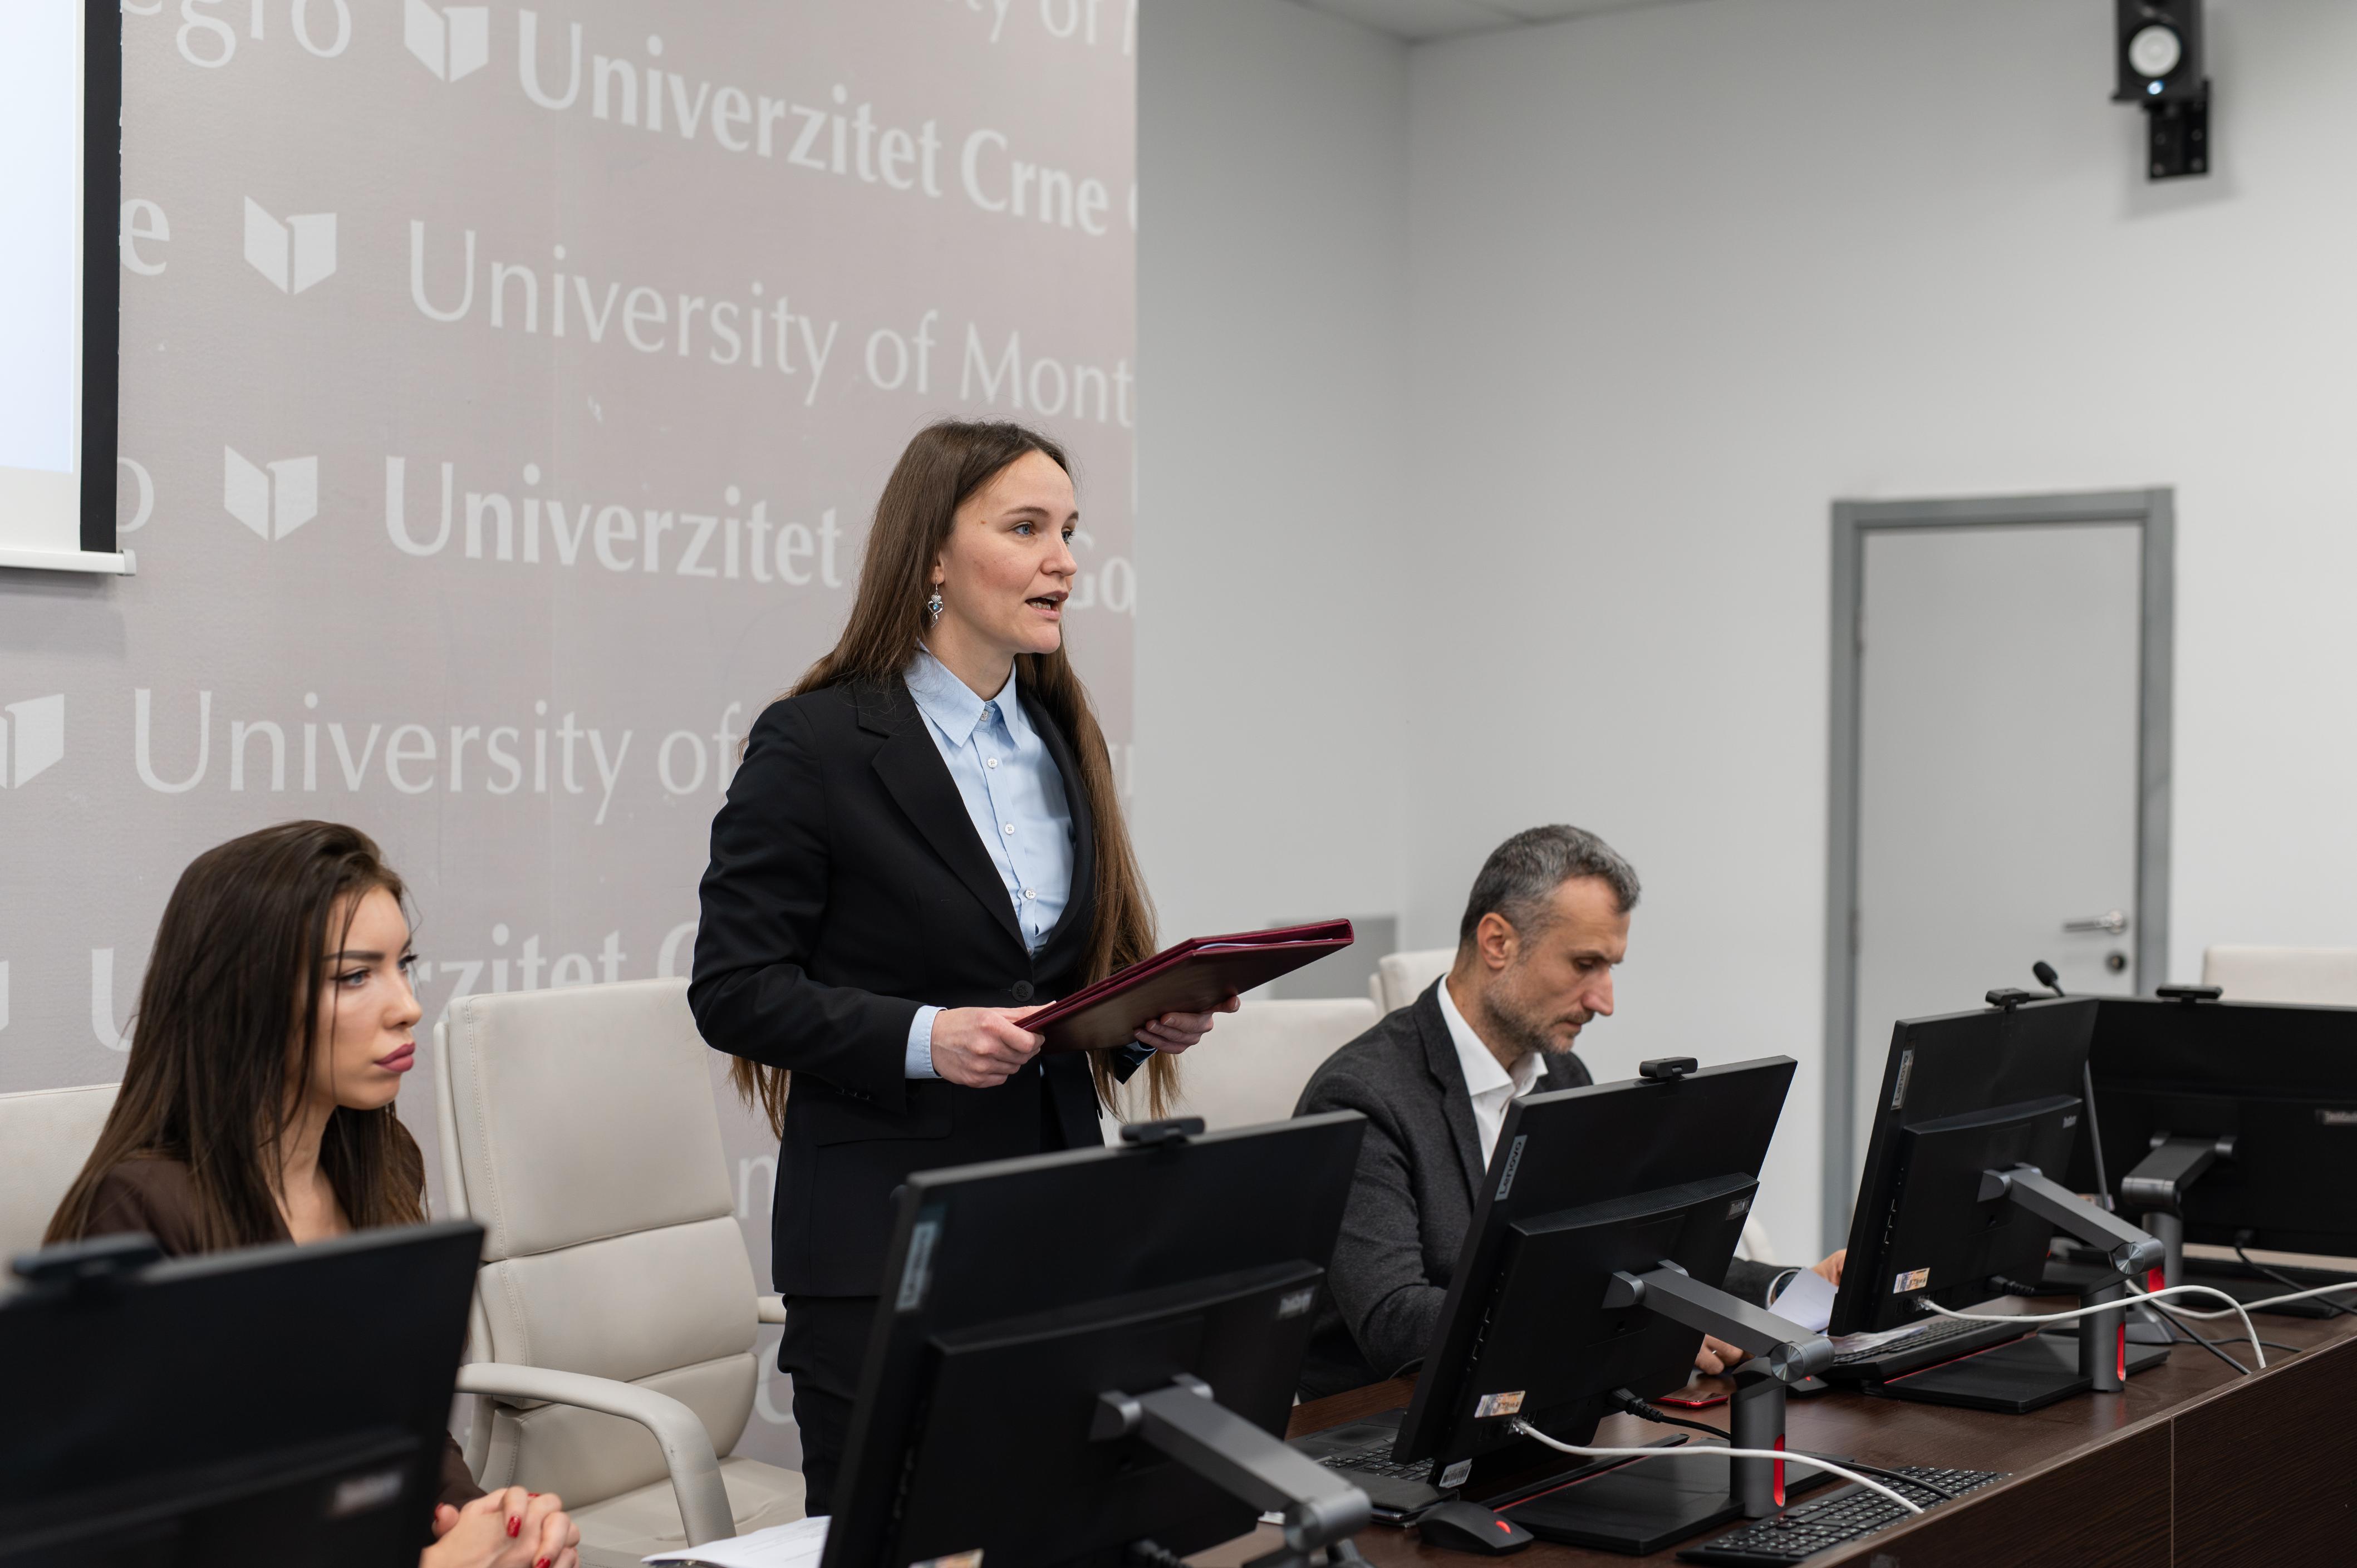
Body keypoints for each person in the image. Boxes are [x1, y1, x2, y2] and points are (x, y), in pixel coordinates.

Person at [690, 419, 1232, 1512]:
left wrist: (1138, 1018)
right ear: (932, 553)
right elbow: (733, 990)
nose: (1062, 561)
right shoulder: (816, 741)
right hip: (885, 1245)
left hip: (1057, 1226)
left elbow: (1052, 985)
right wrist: (923, 1037)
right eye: (1025, 528)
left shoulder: (1059, 734)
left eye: (1069, 531)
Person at [44, 821, 581, 1568]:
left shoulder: (383, 1164)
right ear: (244, 996)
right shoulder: (138, 1210)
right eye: (354, 976)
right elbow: (143, 1541)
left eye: (403, 966)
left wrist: (493, 1522)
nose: (407, 1006)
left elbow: (400, 1431)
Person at [1293, 824, 1843, 1399]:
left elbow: (1630, 1257)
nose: (1604, 1001)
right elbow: (1395, 1322)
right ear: (1497, 943)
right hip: (1387, 1421)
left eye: (1610, 968)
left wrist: (1787, 1289)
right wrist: (1626, 1320)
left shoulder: (1561, 1076)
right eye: (1585, 963)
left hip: (1541, 1399)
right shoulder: (1360, 1096)